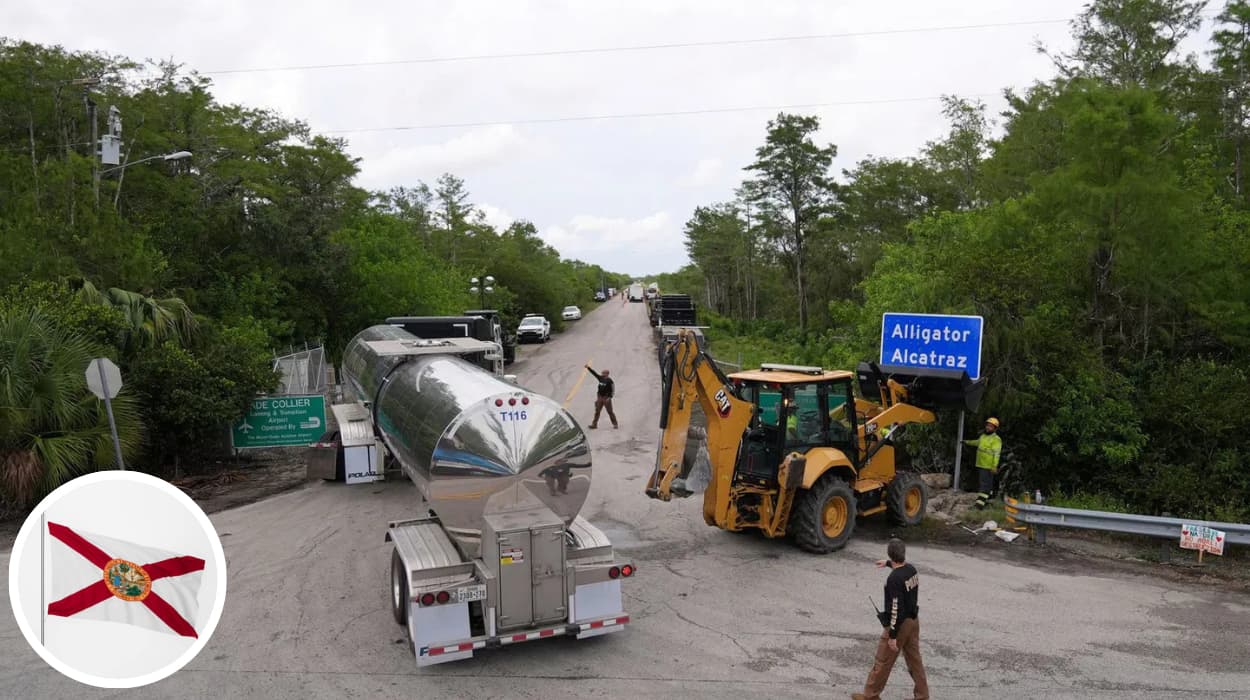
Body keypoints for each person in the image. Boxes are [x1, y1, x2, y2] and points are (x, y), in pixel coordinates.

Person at [853, 538, 928, 700]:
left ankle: (870, 696)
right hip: (913, 621)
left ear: (890, 553)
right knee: (915, 661)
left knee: (883, 661)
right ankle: (922, 696)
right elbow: (901, 569)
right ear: (903, 553)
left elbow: (895, 608)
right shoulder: (911, 570)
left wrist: (893, 636)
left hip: (899, 625)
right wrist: (888, 563)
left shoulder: (894, 579)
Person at [964, 417, 1002, 509]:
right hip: (981, 464)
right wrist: (967, 442)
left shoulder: (996, 439)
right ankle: (988, 503)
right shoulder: (983, 436)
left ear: (995, 428)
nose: (988, 427)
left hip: (988, 466)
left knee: (984, 486)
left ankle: (979, 506)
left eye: (991, 426)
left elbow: (997, 454)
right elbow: (977, 443)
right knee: (987, 485)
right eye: (987, 425)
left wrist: (994, 466)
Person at [584, 364, 618, 429]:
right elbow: (594, 373)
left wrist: (610, 397)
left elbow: (613, 390)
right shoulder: (600, 378)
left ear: (607, 374)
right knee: (597, 411)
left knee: (610, 412)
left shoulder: (610, 381)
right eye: (602, 373)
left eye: (603, 373)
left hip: (606, 398)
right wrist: (588, 368)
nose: (602, 373)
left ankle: (615, 424)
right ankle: (594, 425)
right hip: (599, 397)